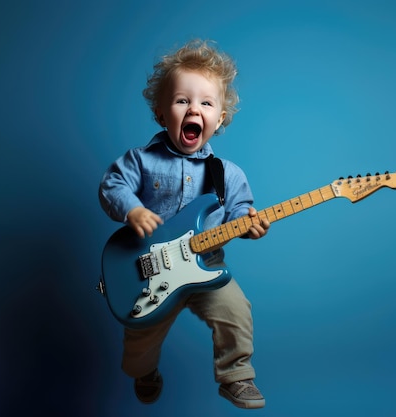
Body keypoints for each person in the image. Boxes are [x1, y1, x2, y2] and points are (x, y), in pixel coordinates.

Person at [98, 39, 270, 409]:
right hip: (148, 273)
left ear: (220, 118)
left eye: (207, 103)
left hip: (206, 266)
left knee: (237, 310)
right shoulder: (141, 161)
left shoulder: (229, 174)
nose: (195, 109)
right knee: (138, 345)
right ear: (161, 113)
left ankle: (235, 377)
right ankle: (145, 372)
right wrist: (132, 209)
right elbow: (112, 185)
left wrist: (250, 225)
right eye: (182, 101)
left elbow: (241, 212)